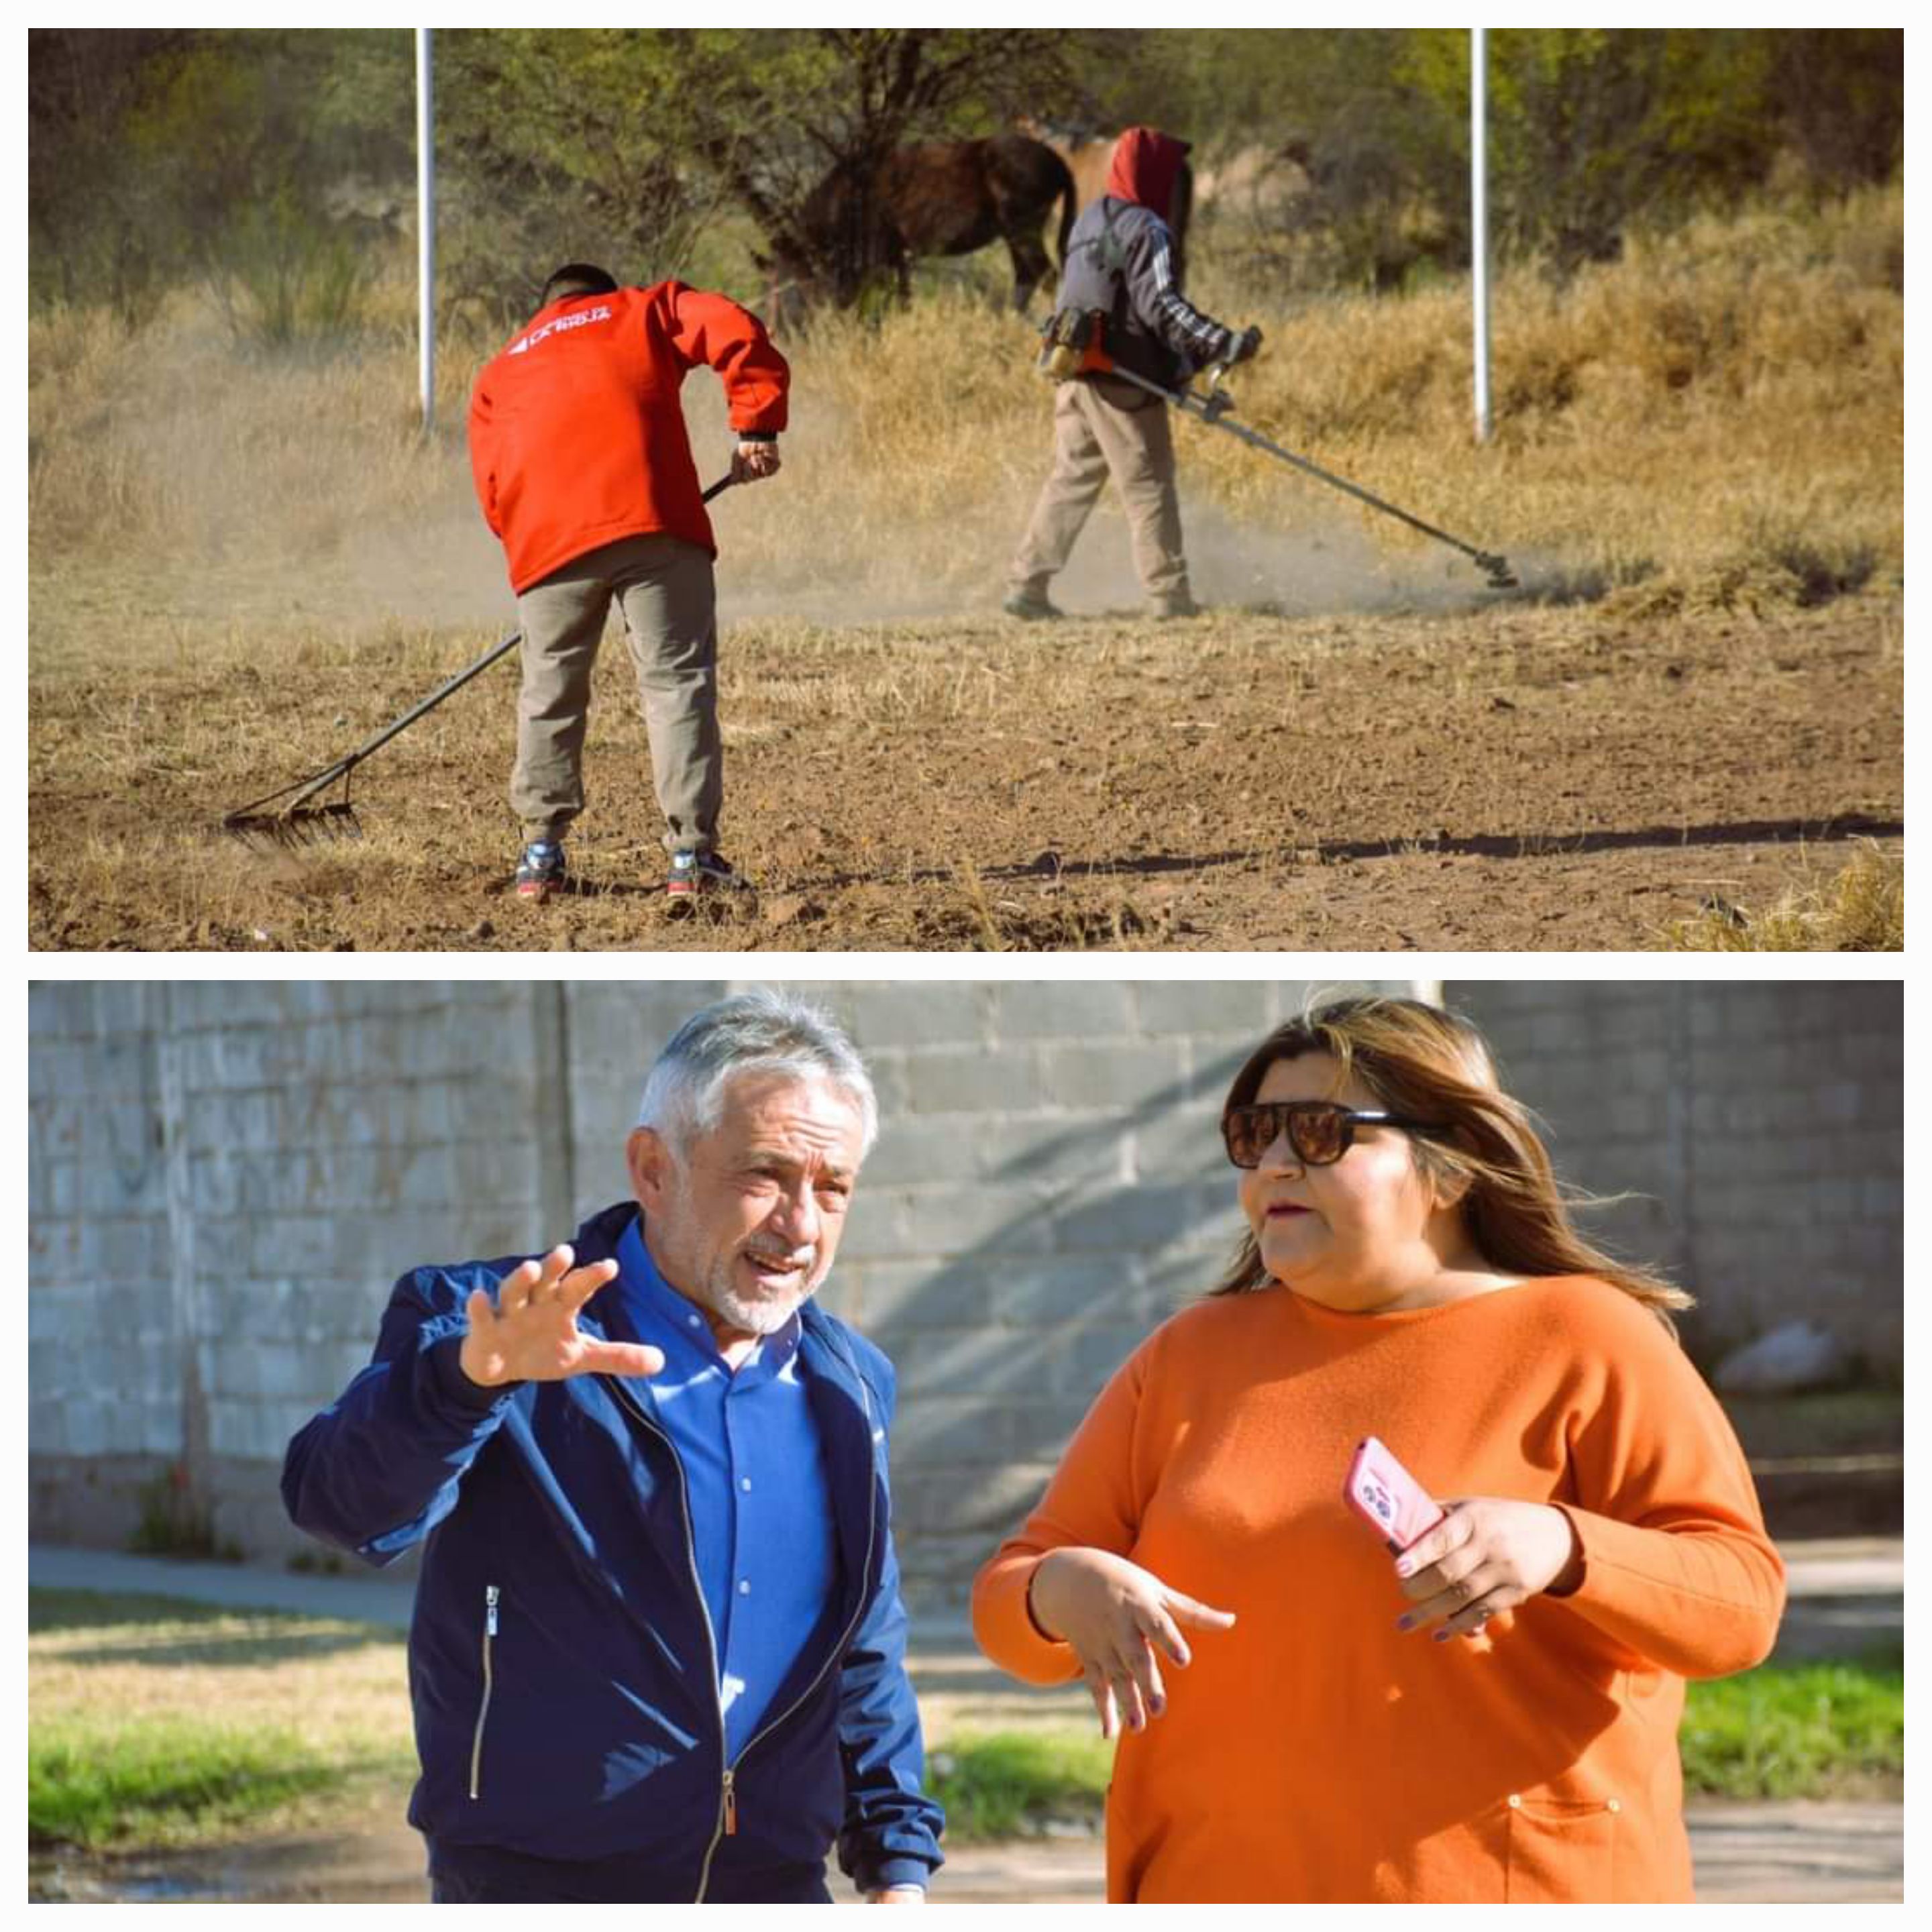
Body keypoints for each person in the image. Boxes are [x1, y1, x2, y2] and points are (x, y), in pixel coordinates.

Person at [971, 995, 1784, 1904]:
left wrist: (1563, 1546)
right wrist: (1060, 1591)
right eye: (1254, 1134)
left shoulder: (1588, 1337)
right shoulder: (1186, 1356)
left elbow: (1740, 1606)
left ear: (1448, 1168)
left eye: (1321, 1132)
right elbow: (1011, 1603)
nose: (1274, 1162)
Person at [282, 991, 943, 1903]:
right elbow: (339, 1507)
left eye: (832, 1188)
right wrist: (471, 1378)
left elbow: (864, 1643)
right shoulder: (489, 1322)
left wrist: (897, 1864)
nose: (802, 1225)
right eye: (765, 1175)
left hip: (775, 1887)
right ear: (654, 1168)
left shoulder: (850, 1381)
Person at [468, 263, 789, 906]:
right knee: (675, 683)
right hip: (655, 525)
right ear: (603, 296)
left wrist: (540, 557)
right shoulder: (643, 309)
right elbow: (734, 328)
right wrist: (755, 425)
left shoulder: (501, 369)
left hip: (549, 545)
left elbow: (492, 486)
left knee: (549, 693)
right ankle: (693, 858)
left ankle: (539, 857)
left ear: (545, 309)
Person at [1004, 127, 1260, 623]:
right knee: (1149, 483)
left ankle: (1027, 586)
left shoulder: (1088, 220)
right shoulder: (1148, 228)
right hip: (1120, 381)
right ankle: (1168, 596)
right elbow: (1161, 305)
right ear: (1155, 176)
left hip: (1074, 370)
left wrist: (1185, 366)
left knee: (1071, 479)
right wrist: (1220, 342)